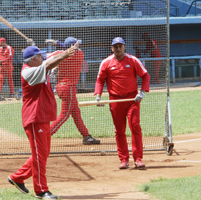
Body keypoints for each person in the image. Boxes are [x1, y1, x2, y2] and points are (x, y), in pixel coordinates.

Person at [7, 42, 79, 199]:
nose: (43, 56)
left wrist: (65, 51)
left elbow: (51, 58)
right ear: (33, 59)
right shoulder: (28, 72)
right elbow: (49, 63)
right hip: (34, 118)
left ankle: (17, 177)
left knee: (42, 154)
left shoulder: (37, 66)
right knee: (40, 155)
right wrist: (65, 54)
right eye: (40, 55)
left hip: (43, 117)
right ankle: (41, 190)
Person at [94, 37, 150, 169]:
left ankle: (138, 159)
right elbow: (100, 80)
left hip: (132, 100)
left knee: (135, 126)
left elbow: (145, 76)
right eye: (115, 46)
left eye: (120, 46)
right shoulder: (106, 62)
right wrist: (98, 95)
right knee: (119, 130)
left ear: (124, 47)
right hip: (115, 100)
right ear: (112, 48)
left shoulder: (133, 60)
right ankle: (124, 159)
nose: (118, 49)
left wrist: (142, 92)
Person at [46, 37, 100, 145]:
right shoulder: (79, 55)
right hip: (69, 88)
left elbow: (49, 55)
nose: (78, 46)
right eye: (75, 44)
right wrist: (59, 43)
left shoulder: (60, 54)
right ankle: (45, 135)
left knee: (76, 114)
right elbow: (72, 50)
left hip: (61, 87)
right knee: (64, 115)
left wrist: (58, 44)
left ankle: (86, 136)